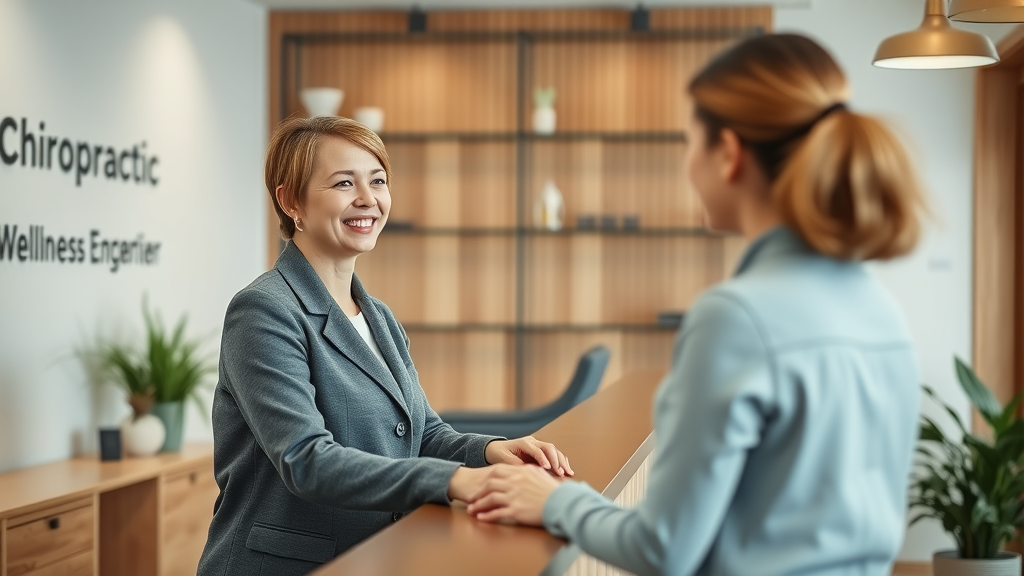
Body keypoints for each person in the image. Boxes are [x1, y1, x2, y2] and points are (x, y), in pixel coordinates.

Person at [466, 33, 927, 576]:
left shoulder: (738, 317)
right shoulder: (879, 307)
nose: (688, 165)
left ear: (728, 153)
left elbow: (663, 547)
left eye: (690, 142)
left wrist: (553, 501)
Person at [197, 116, 573, 576]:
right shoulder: (263, 311)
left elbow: (423, 434)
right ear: (290, 200)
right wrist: (457, 481)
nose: (367, 199)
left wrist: (491, 450)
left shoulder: (379, 317)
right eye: (343, 183)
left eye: (378, 181)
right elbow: (306, 460)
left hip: (373, 558)